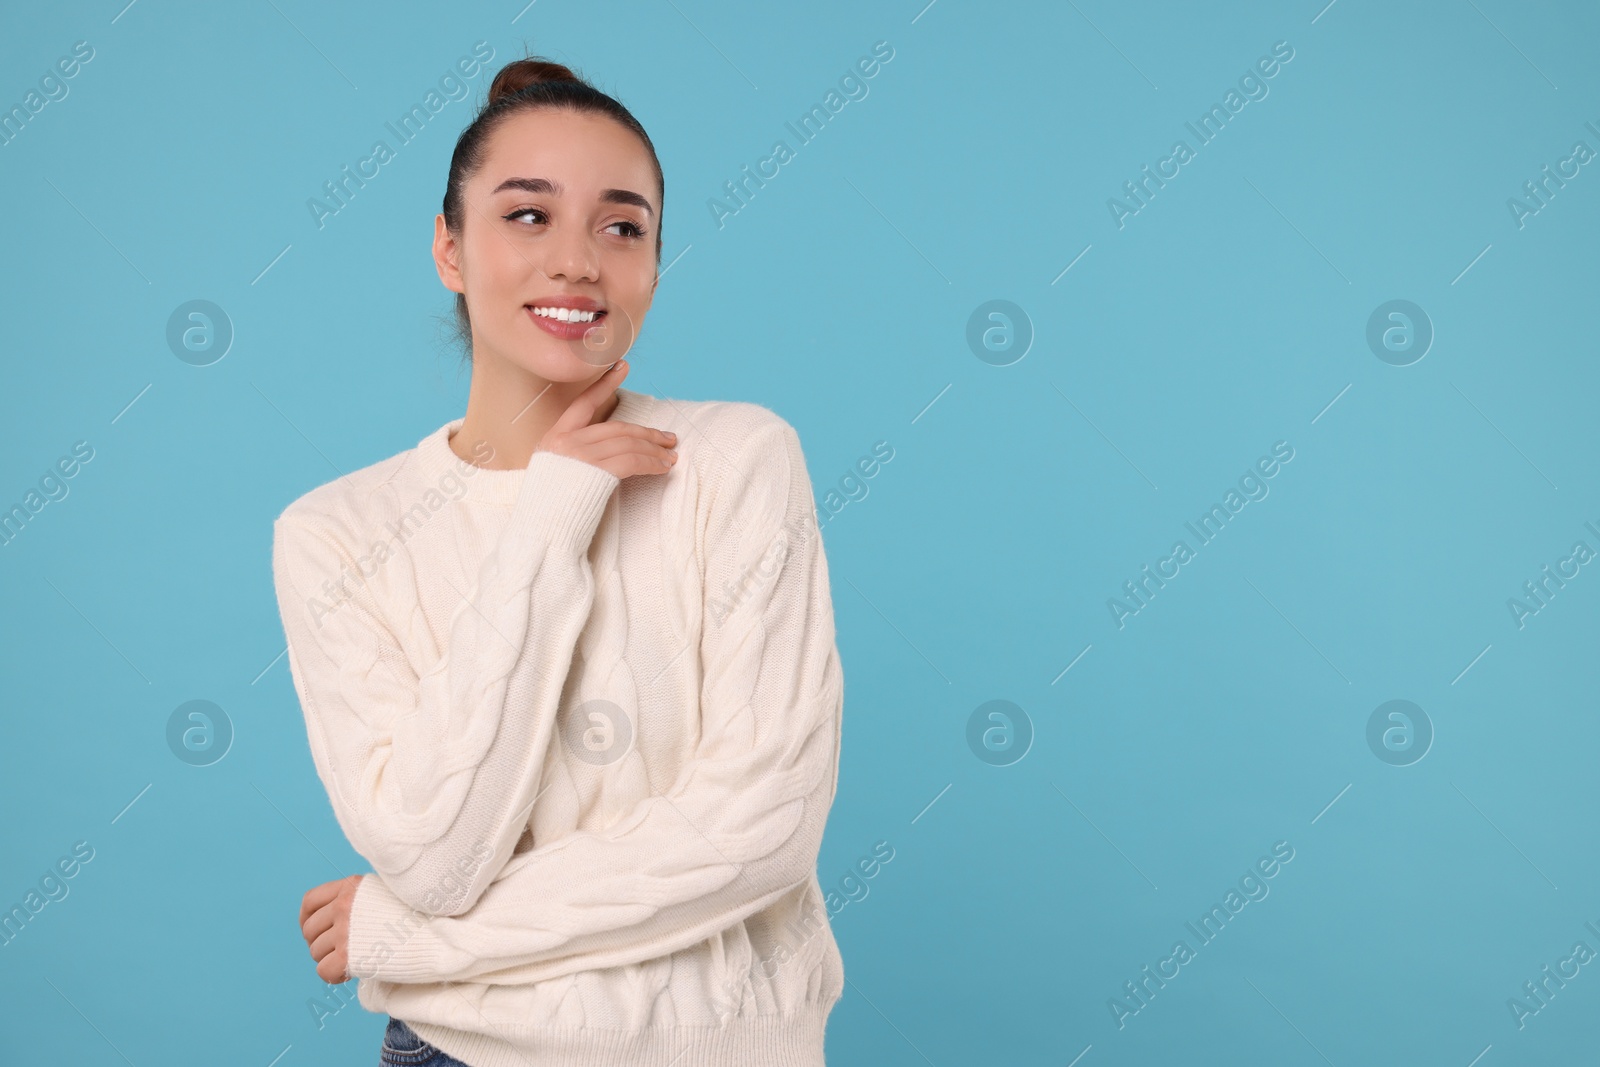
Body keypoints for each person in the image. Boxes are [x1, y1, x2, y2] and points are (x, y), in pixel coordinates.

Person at [271, 54, 846, 1067]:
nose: (578, 260)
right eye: (527, 215)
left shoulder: (738, 459)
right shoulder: (335, 532)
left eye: (621, 226)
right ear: (450, 248)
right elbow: (434, 854)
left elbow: (763, 828)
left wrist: (406, 936)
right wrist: (550, 513)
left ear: (655, 264)